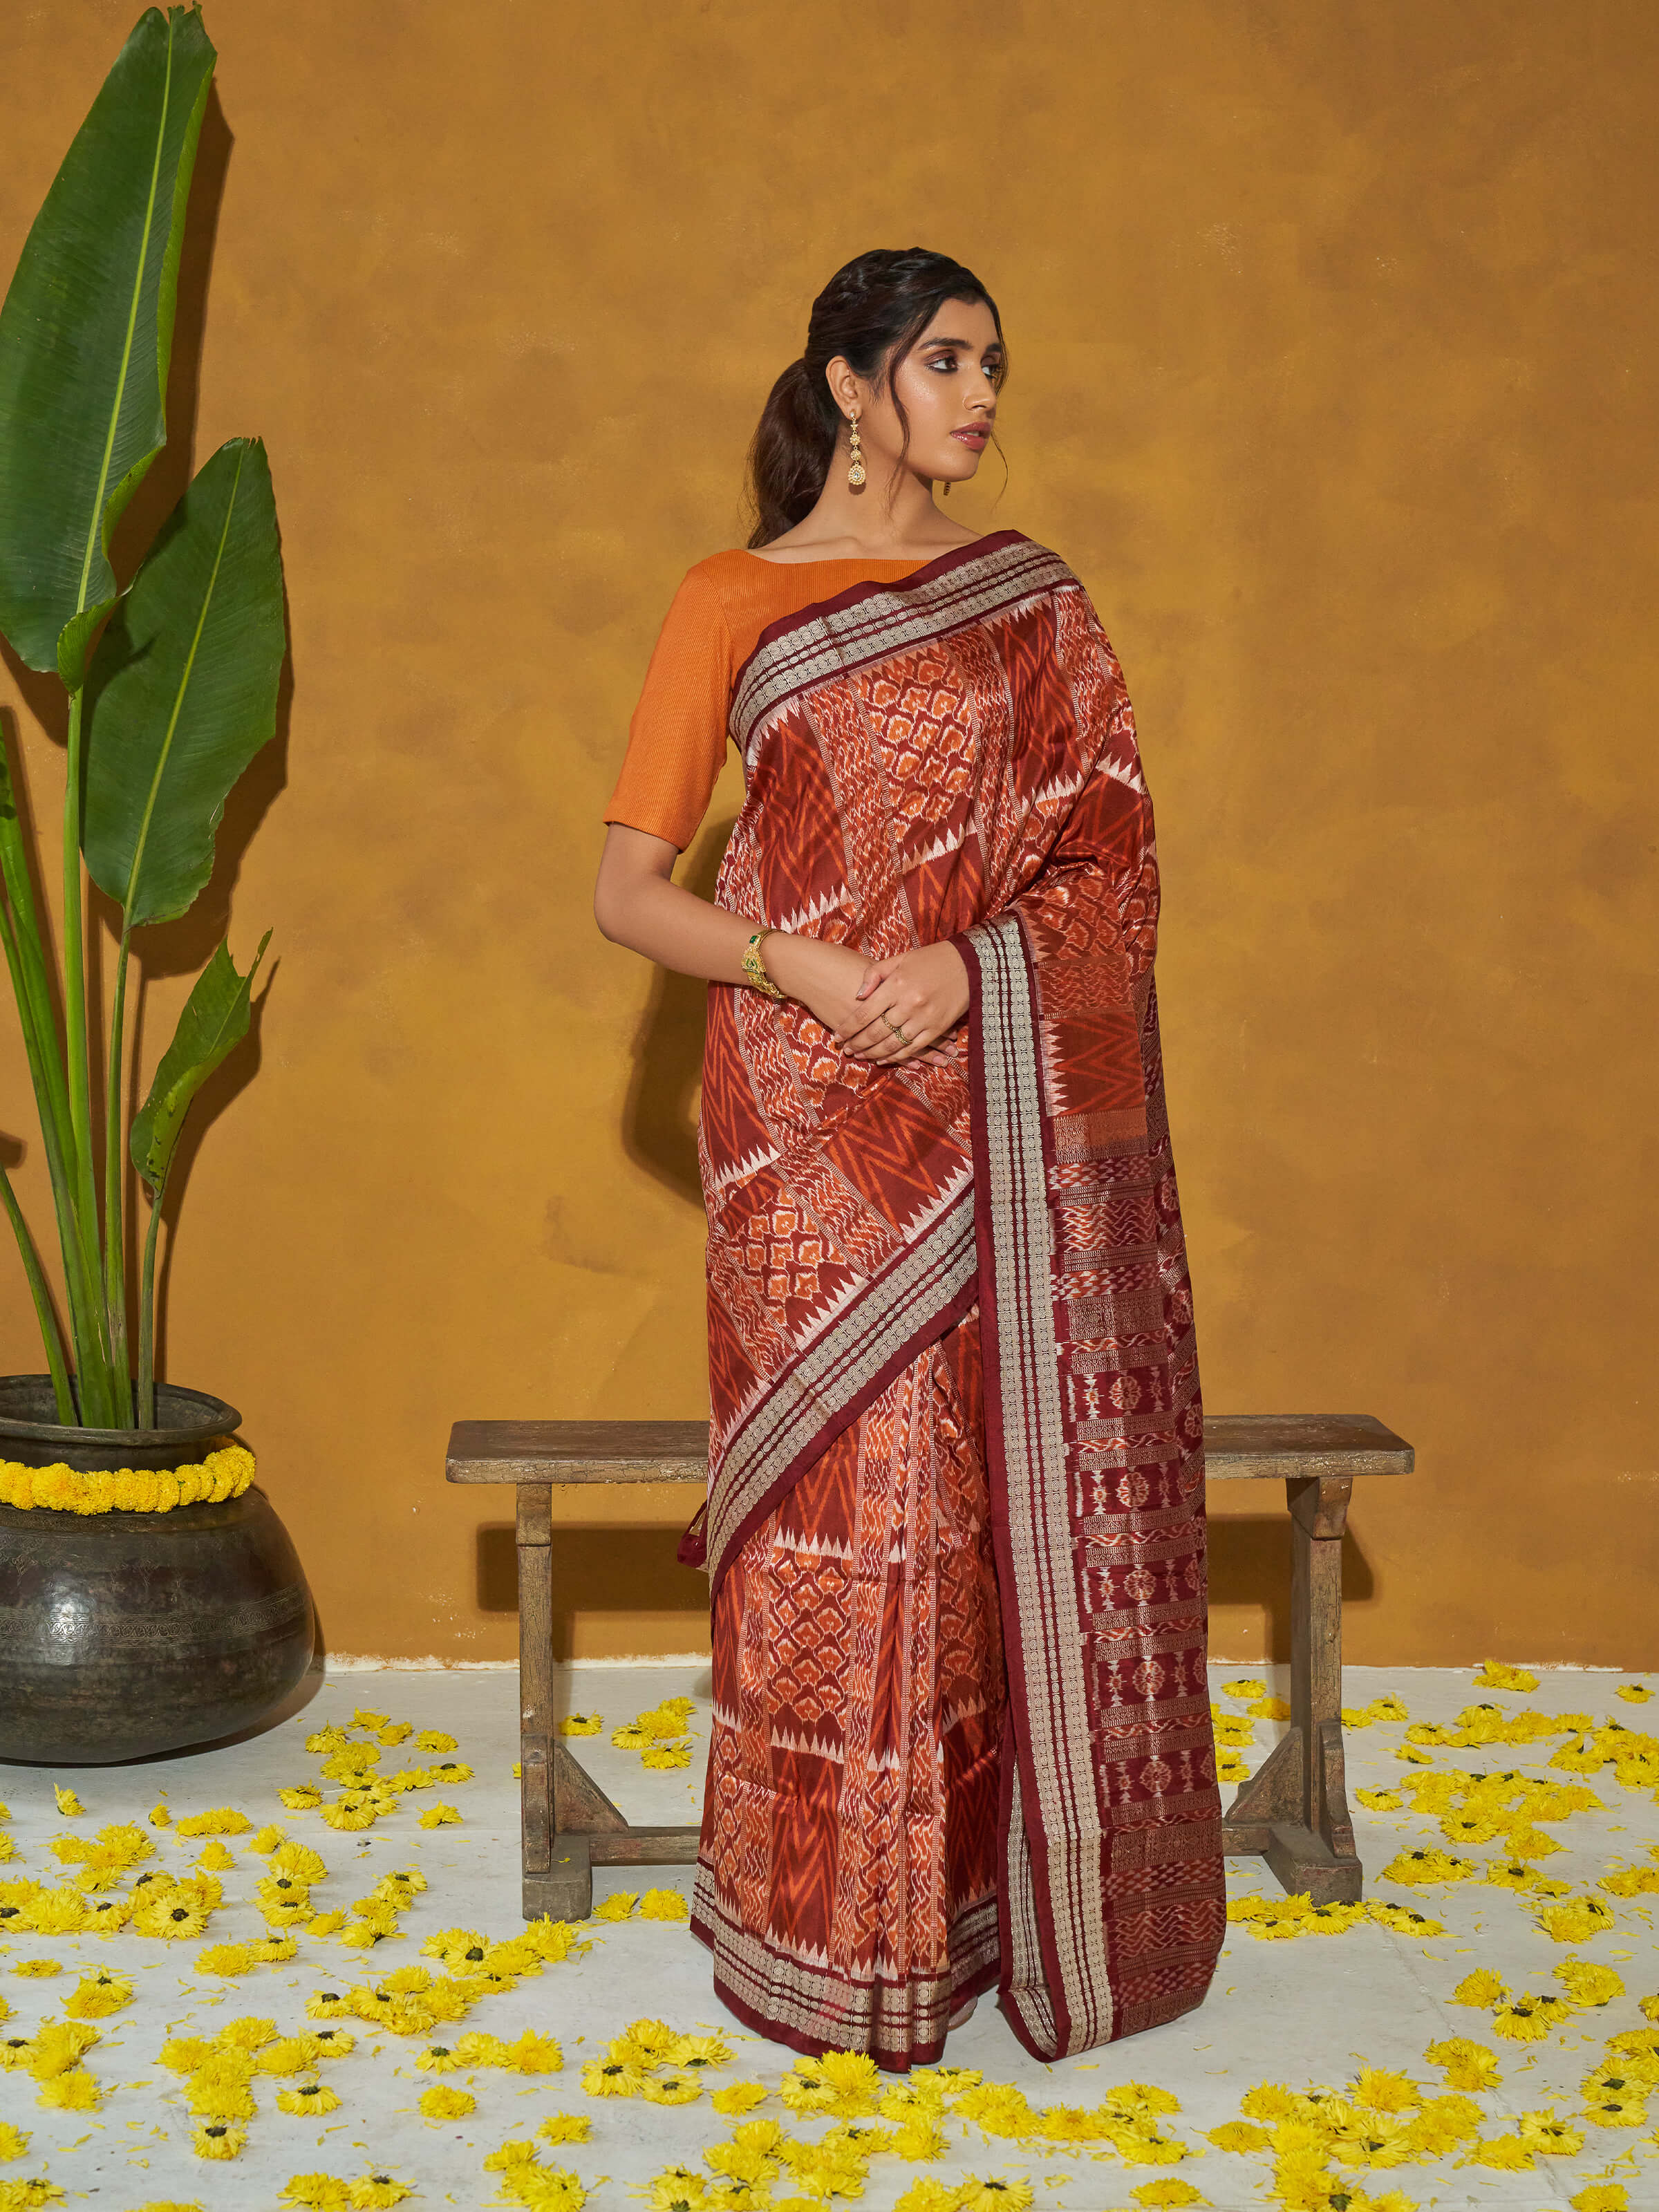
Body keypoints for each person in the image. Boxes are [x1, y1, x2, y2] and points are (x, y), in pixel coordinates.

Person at [594, 248, 1223, 2072]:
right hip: (797, 1121)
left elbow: (1109, 868)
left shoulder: (1035, 607)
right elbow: (627, 892)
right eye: (947, 361)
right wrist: (796, 962)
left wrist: (967, 971)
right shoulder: (729, 598)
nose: (982, 395)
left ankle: (965, 1915)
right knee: (830, 1522)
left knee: (962, 1500)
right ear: (852, 389)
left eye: (995, 364)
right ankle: (817, 1928)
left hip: (984, 1088)